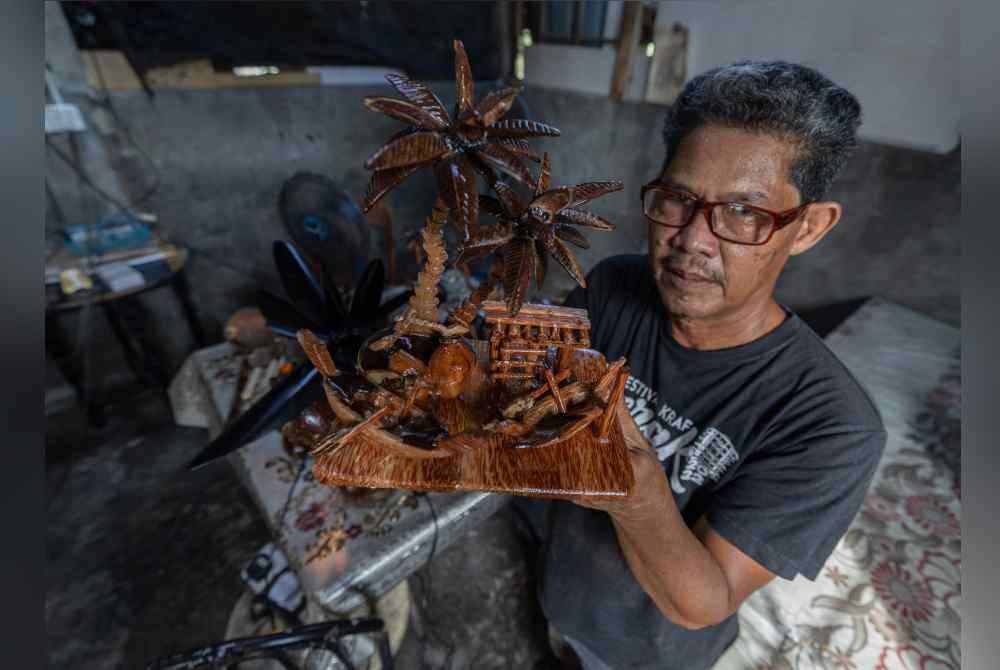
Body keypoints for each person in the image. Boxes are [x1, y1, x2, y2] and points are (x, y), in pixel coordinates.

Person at [513, 61, 887, 670]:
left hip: (649, 650)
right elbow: (541, 384)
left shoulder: (832, 426)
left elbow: (701, 603)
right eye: (677, 199)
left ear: (809, 228)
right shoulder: (613, 286)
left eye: (743, 213)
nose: (692, 239)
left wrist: (636, 494)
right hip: (562, 584)